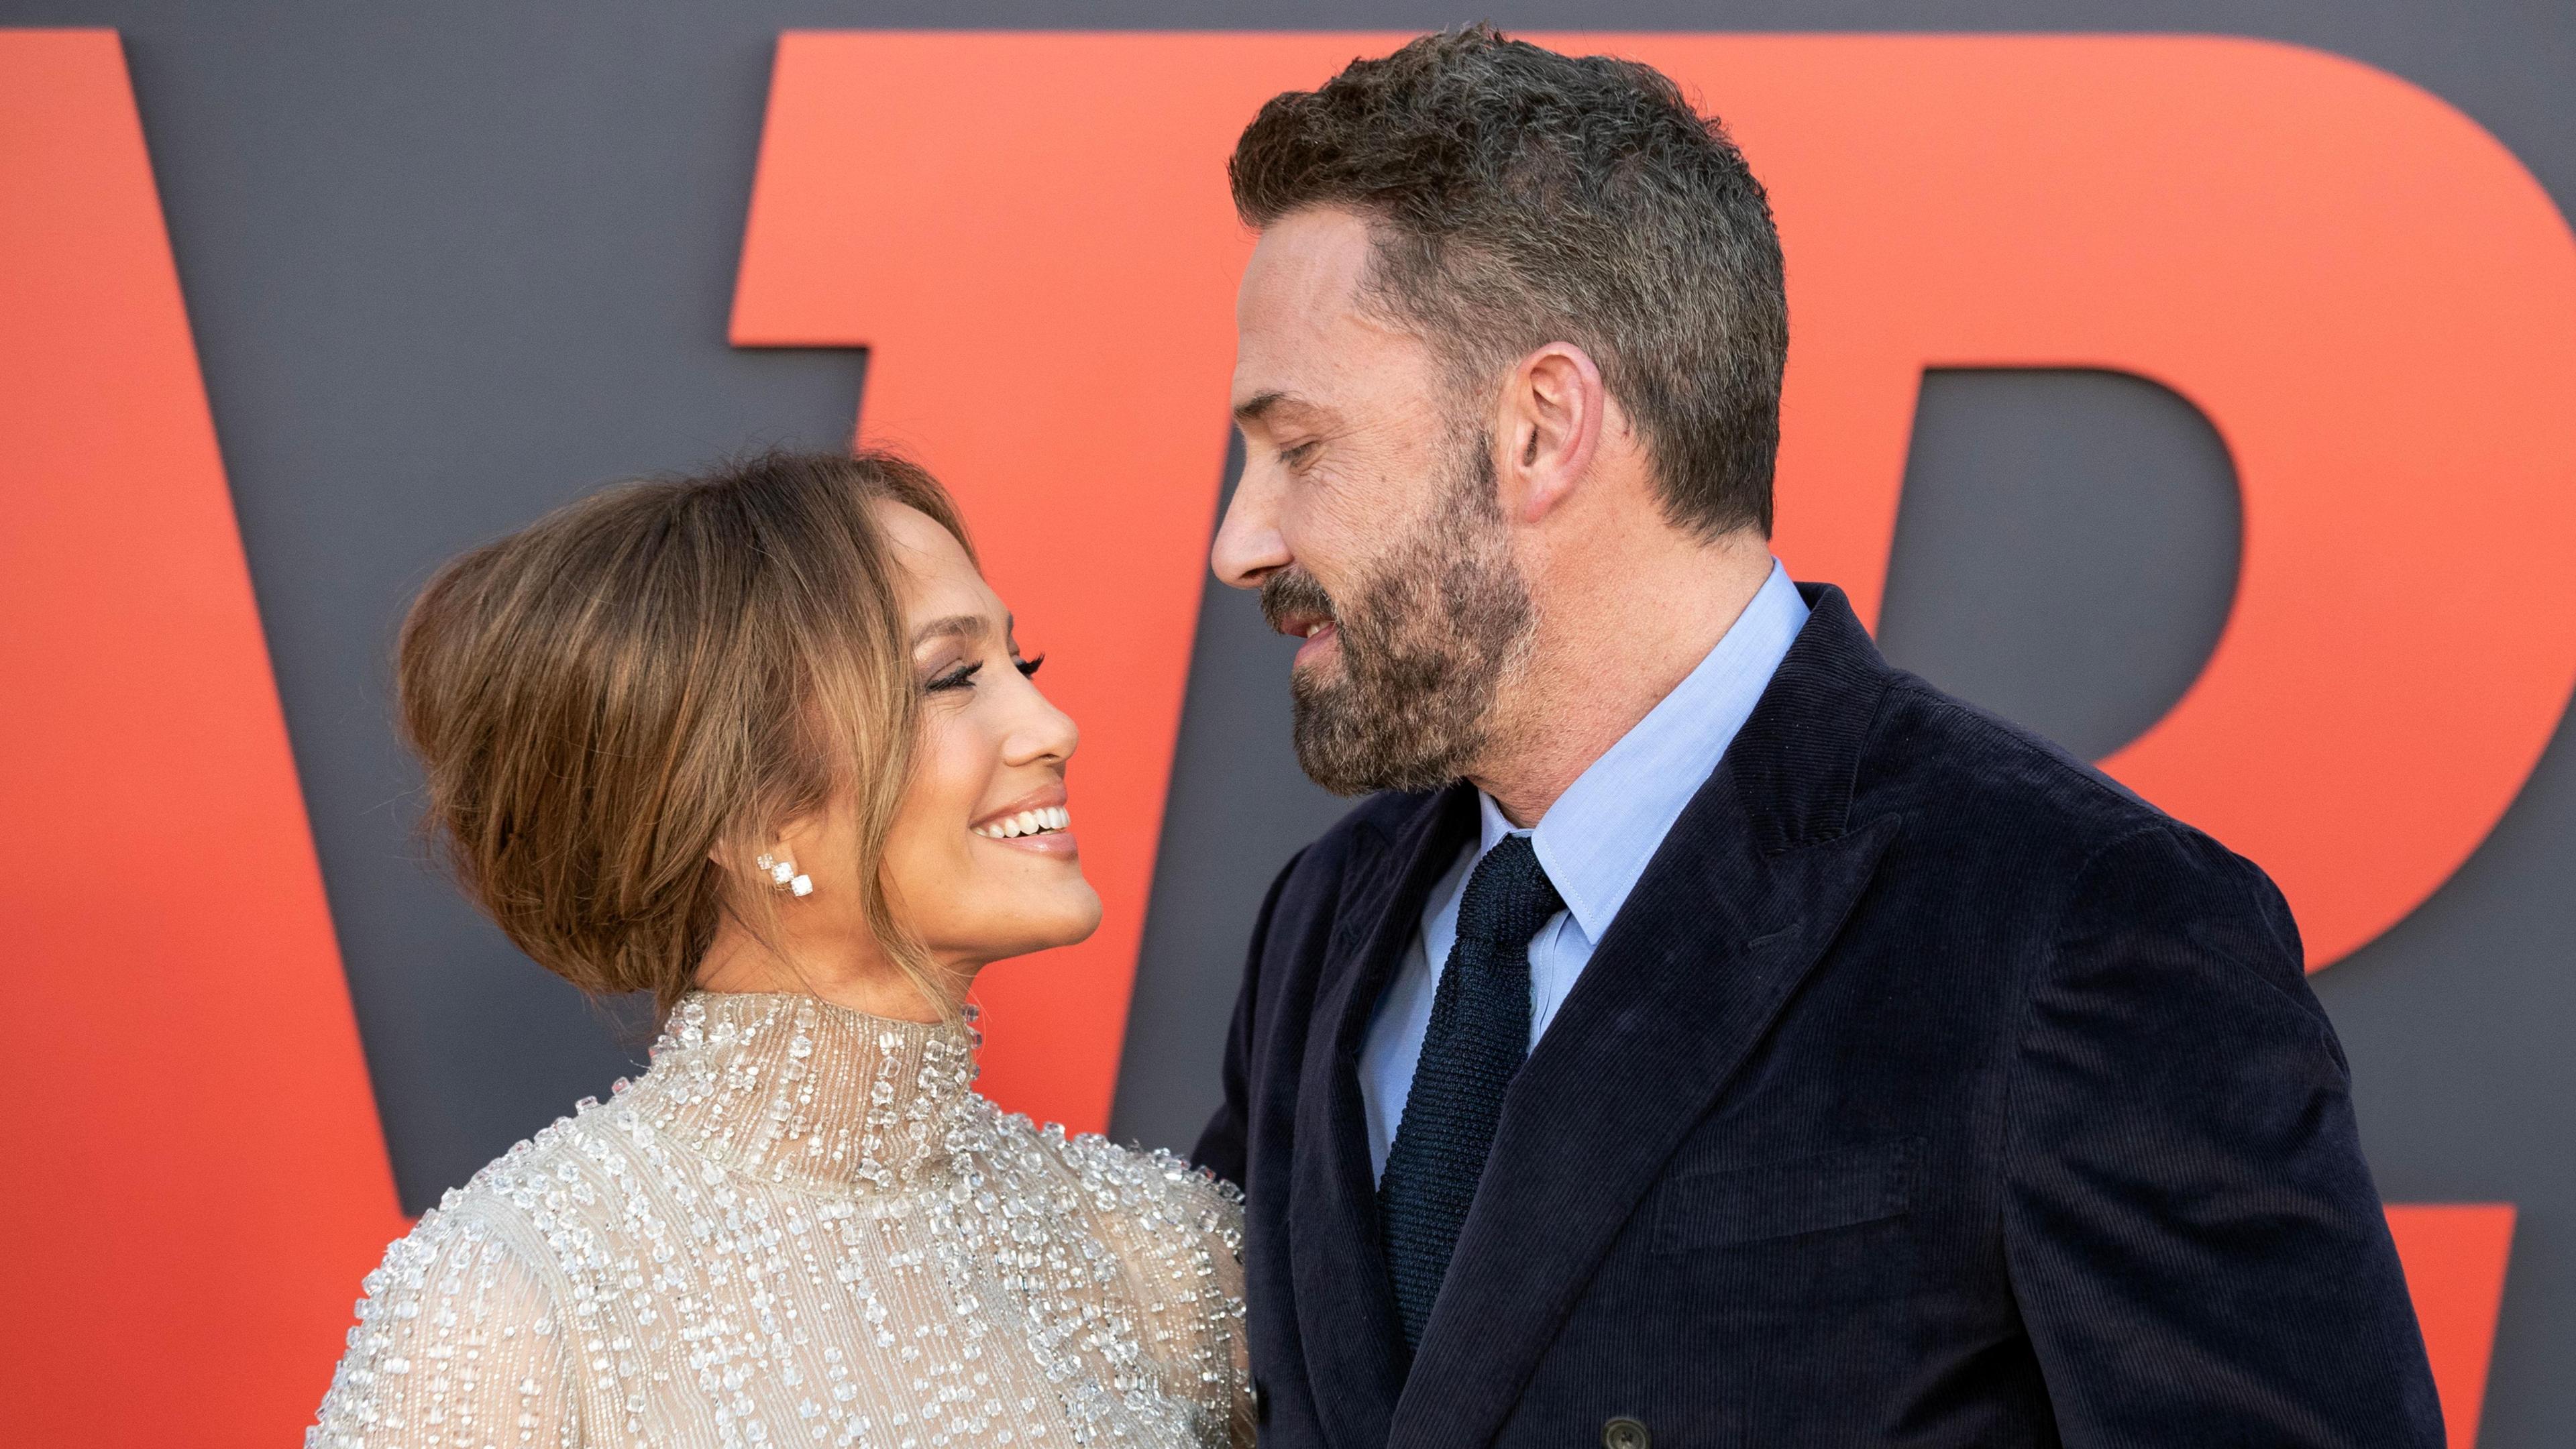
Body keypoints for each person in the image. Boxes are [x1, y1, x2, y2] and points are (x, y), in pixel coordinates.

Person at [1193, 27, 2441, 1448]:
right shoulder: (1327, 924)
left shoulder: (2075, 932)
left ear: (1542, 428)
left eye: (1299, 447)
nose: (1242, 541)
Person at [310, 451, 1250, 1448]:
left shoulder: (1157, 1251)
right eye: (951, 678)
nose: (1051, 724)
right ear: (748, 808)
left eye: (1024, 665)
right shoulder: (515, 1297)